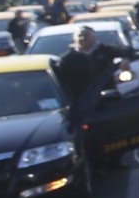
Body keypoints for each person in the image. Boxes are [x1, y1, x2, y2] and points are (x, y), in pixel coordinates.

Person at [55, 26, 134, 170]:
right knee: (90, 136)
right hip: (84, 103)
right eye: (80, 36)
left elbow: (128, 51)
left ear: (94, 37)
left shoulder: (105, 50)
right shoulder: (68, 59)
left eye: (86, 35)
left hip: (107, 99)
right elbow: (61, 82)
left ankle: (115, 160)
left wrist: (125, 60)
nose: (83, 38)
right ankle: (96, 164)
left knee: (114, 130)